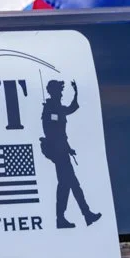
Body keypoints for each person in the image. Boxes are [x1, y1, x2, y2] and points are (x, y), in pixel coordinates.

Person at [40, 79, 101, 229]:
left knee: (70, 185)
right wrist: (63, 148)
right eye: (59, 90)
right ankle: (68, 218)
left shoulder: (58, 108)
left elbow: (72, 108)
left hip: (62, 151)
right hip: (58, 153)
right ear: (53, 92)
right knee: (67, 185)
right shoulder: (50, 109)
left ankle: (83, 215)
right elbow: (52, 133)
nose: (61, 93)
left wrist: (76, 92)